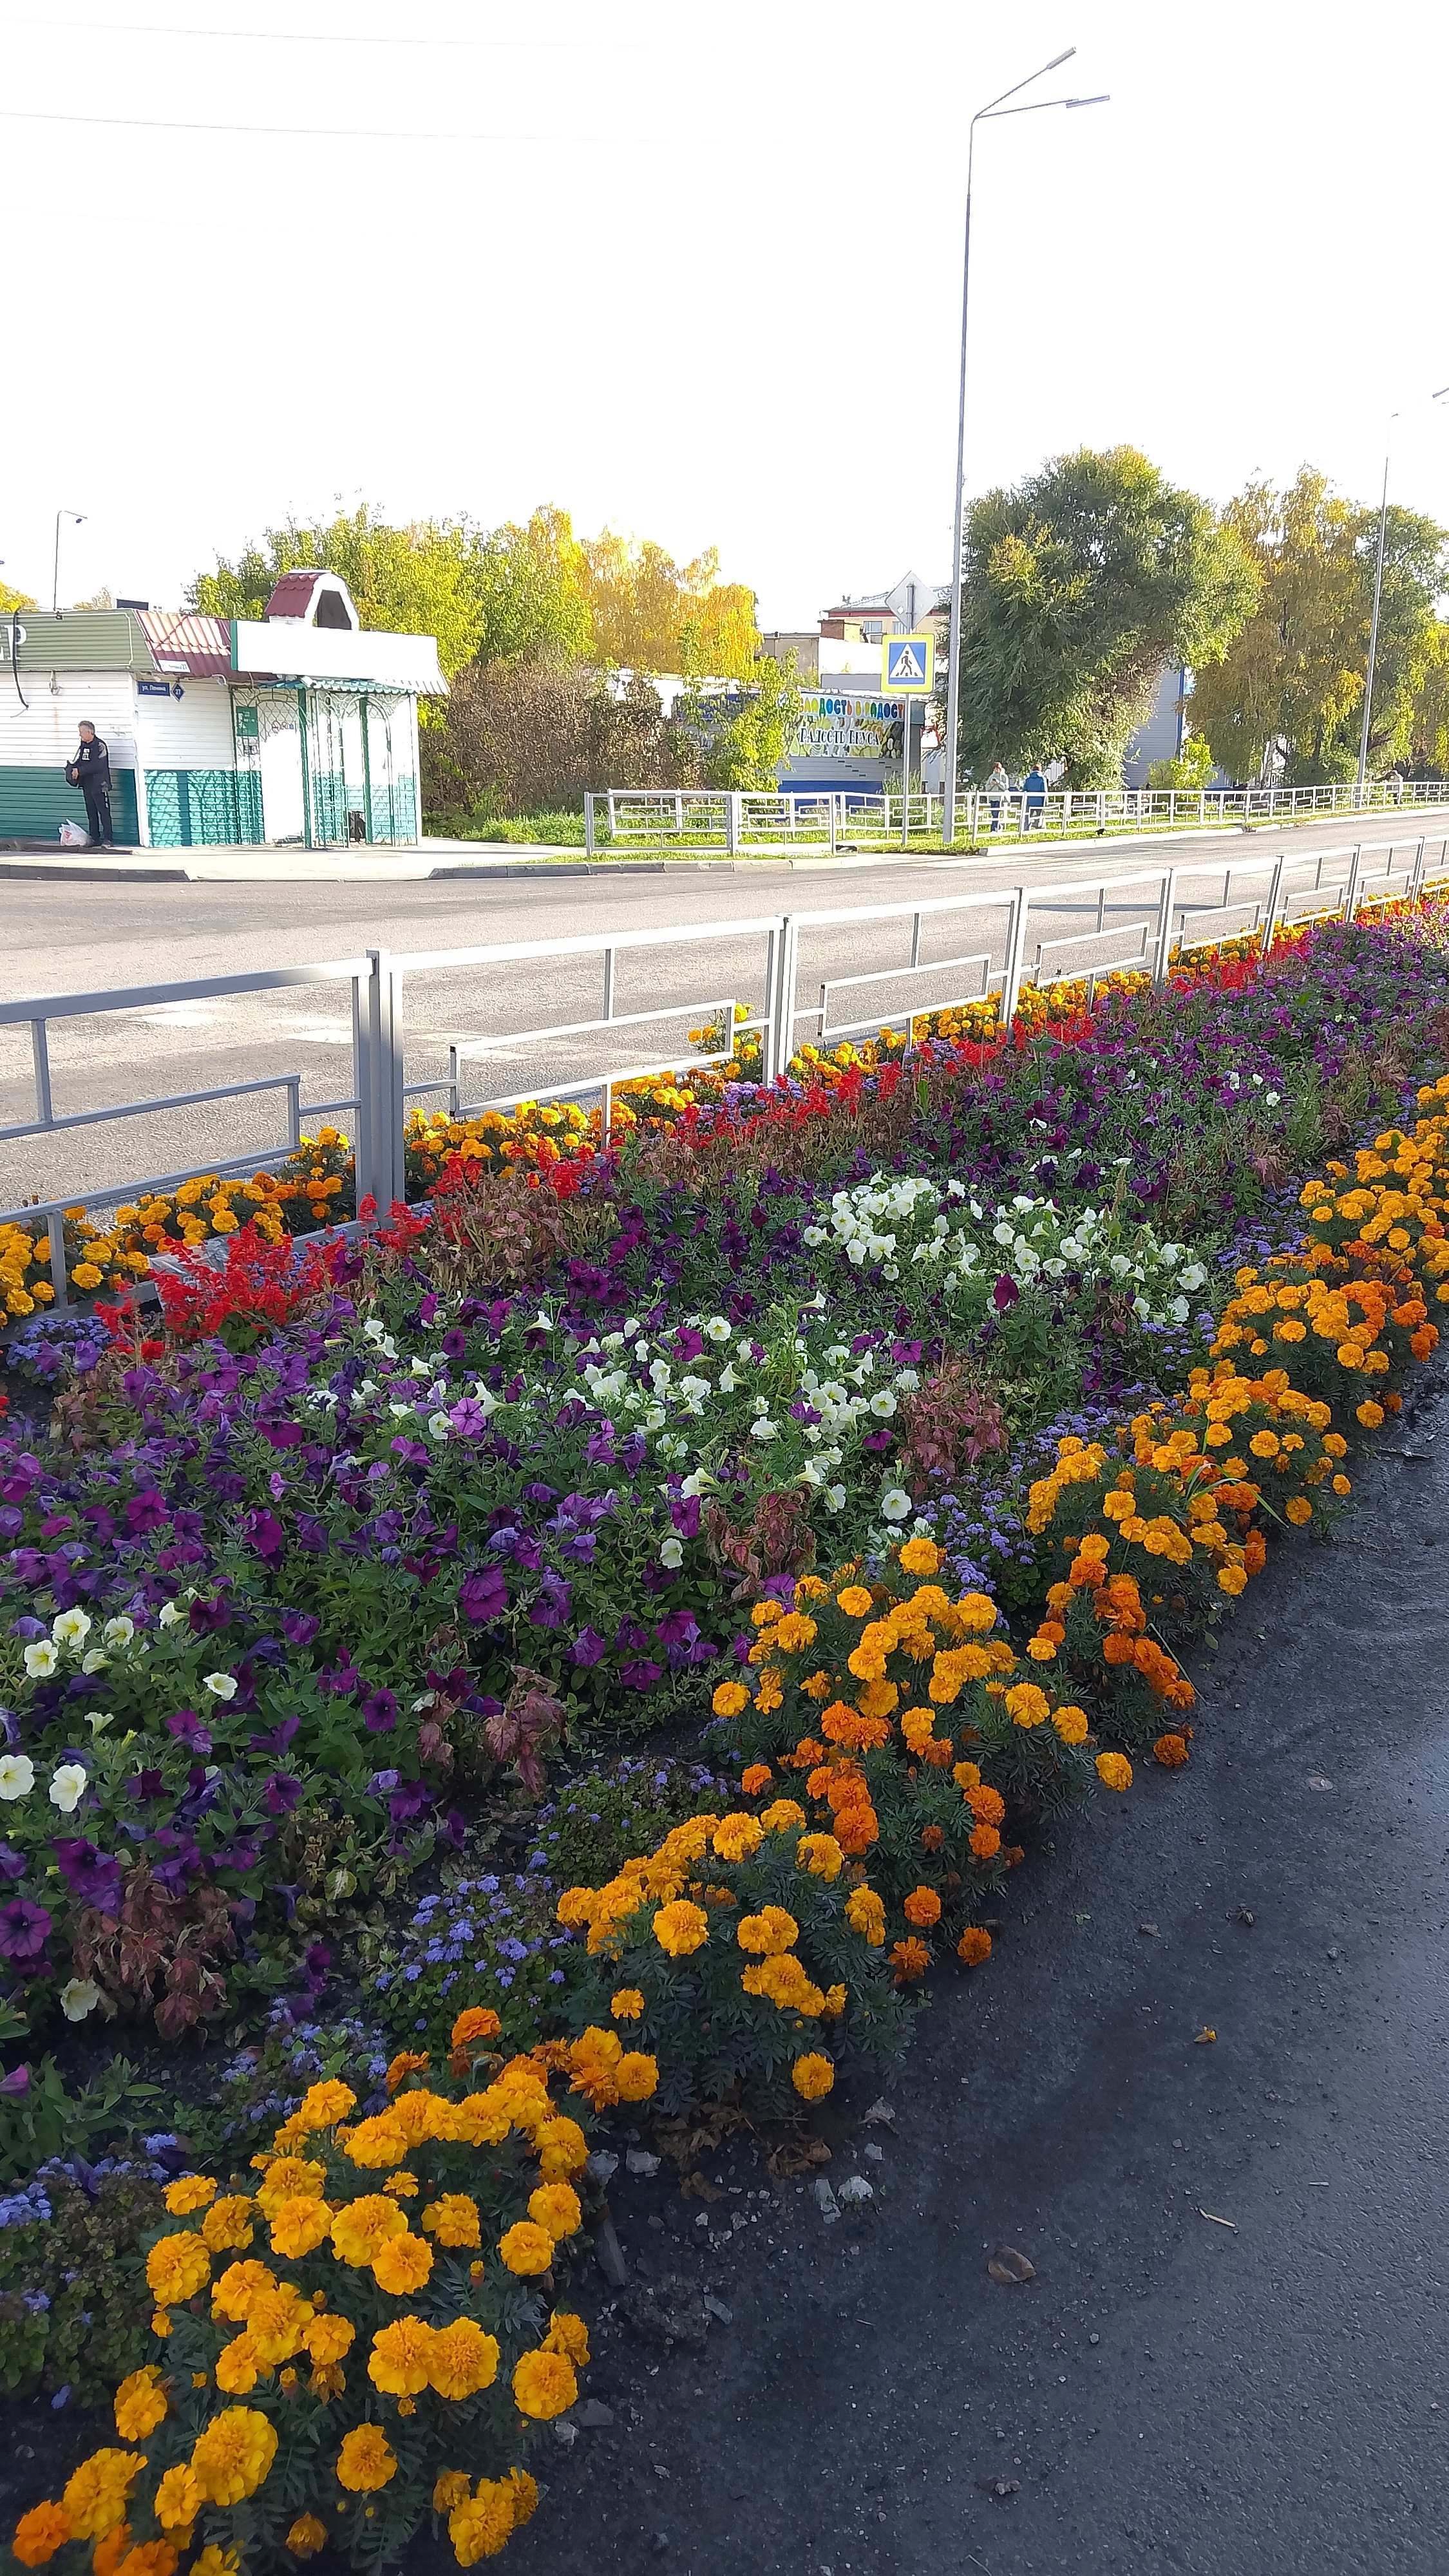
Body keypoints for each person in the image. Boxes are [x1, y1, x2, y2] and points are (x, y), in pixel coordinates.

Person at [66, 721, 111, 847]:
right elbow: (81, 761)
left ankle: (108, 839)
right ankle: (94, 838)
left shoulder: (100, 746)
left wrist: (80, 770)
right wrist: (73, 768)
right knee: (91, 812)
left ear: (89, 732)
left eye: (81, 732)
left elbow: (98, 765)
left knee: (103, 812)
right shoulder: (83, 746)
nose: (80, 735)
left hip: (100, 784)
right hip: (87, 784)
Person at [986, 760, 1010, 831]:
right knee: (994, 813)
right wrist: (992, 785)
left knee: (996, 813)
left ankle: (994, 828)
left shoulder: (1004, 777)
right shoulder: (991, 777)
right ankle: (997, 826)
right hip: (992, 798)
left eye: (997, 768)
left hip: (1000, 798)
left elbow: (1006, 787)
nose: (996, 770)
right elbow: (987, 787)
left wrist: (999, 783)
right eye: (995, 768)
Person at [1022, 761, 1047, 829]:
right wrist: (1046, 801)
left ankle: (1027, 827)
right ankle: (1038, 826)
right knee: (1039, 815)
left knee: (1029, 815)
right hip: (1039, 800)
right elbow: (1044, 791)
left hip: (1030, 801)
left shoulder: (1028, 779)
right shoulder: (1042, 779)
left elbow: (1025, 789)